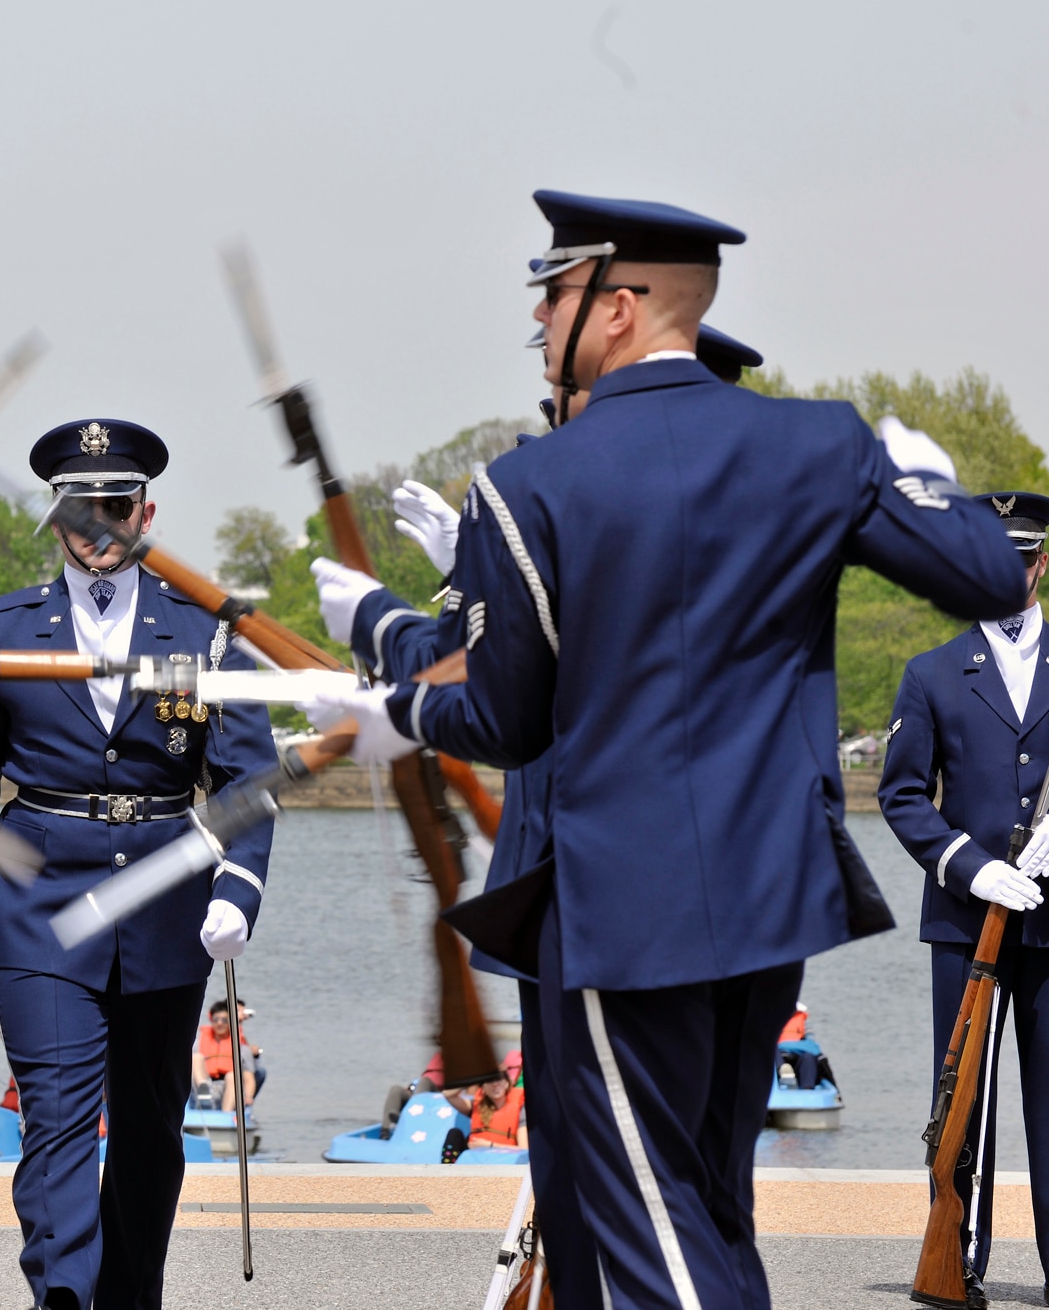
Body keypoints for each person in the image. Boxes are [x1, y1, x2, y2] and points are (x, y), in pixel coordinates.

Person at [303, 190, 1024, 1308]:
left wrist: (397, 709)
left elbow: (501, 718)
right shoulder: (818, 444)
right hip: (770, 892)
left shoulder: (531, 481)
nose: (540, 322)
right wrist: (918, 477)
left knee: (646, 1232)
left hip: (621, 903)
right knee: (700, 1208)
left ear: (619, 306)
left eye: (551, 294)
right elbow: (987, 575)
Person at [316, 316, 765, 1310]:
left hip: (621, 898)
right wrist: (465, 580)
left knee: (658, 1181)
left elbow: (541, 682)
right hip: (577, 893)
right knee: (592, 1172)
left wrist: (400, 625)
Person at [0, 418, 279, 1310]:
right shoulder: (4, 628)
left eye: (115, 503)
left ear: (144, 511)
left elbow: (248, 776)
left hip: (163, 900)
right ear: (57, 516)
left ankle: (126, 1298)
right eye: (80, 506)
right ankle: (64, 1296)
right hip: (40, 899)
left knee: (151, 1132)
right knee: (59, 1123)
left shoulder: (204, 630)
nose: (97, 525)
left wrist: (240, 883)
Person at [882, 489, 1049, 1299]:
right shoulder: (933, 672)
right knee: (962, 1102)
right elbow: (902, 795)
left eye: (1023, 558)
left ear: (1041, 562)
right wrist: (968, 863)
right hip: (964, 919)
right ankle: (957, 1259)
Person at [191, 999, 259, 1112]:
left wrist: (249, 1096)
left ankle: (226, 1114)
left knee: (232, 1076)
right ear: (211, 1019)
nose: (219, 1023)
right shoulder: (198, 1042)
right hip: (205, 1084)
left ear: (231, 1021)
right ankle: (204, 1092)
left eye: (224, 1020)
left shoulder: (242, 1048)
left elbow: (249, 1078)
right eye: (216, 1019)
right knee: (196, 1058)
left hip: (227, 1086)